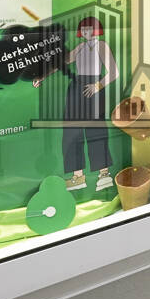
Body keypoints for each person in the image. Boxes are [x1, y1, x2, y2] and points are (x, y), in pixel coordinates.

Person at [54, 16, 117, 190]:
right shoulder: (80, 47)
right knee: (71, 130)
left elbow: (114, 72)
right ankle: (78, 176)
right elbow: (61, 62)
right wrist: (41, 76)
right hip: (76, 88)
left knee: (95, 129)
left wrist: (98, 86)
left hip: (94, 87)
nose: (87, 32)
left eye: (90, 28)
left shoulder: (102, 46)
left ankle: (104, 175)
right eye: (84, 29)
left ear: (96, 30)